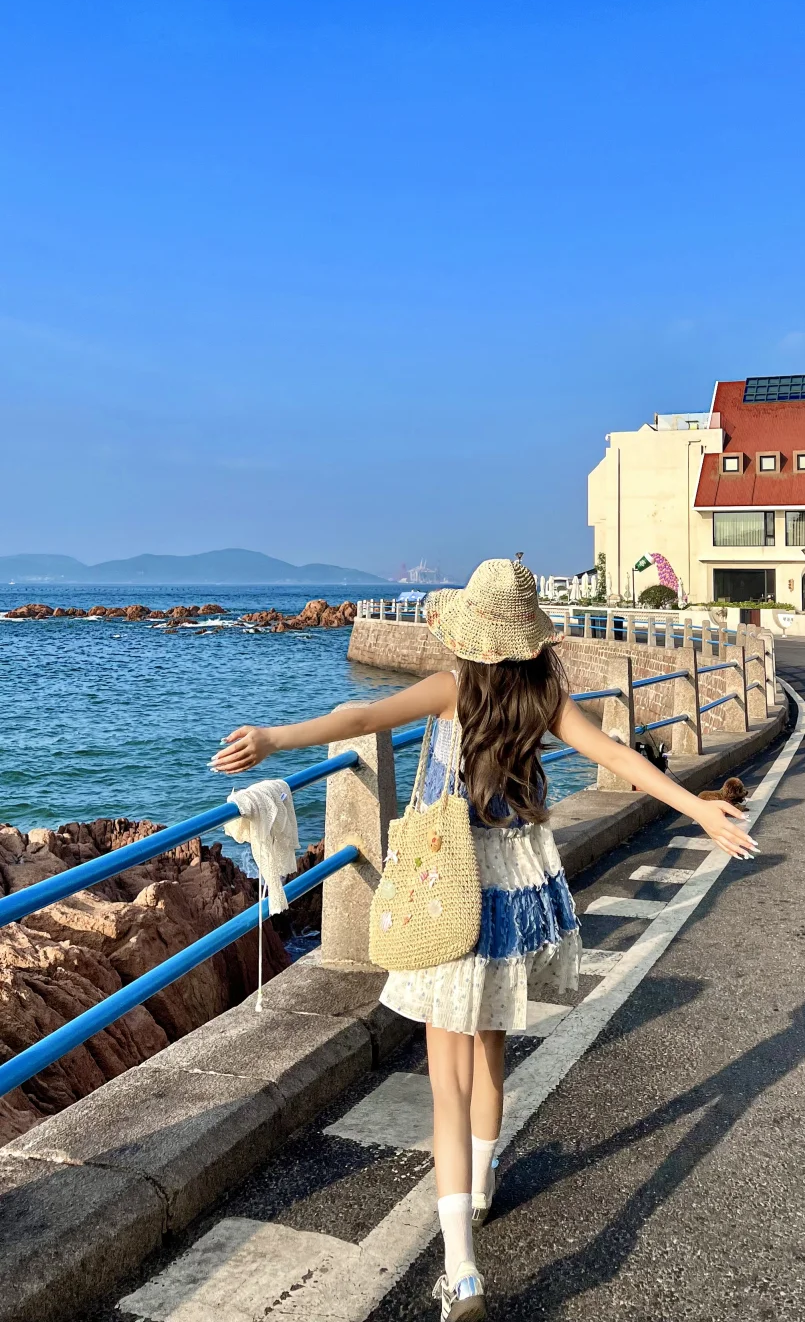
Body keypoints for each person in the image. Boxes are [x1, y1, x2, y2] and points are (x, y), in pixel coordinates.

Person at [210, 559, 756, 1321]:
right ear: (530, 638)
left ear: (470, 635)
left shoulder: (452, 690)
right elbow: (618, 759)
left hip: (446, 889)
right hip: (513, 890)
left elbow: (360, 721)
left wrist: (274, 737)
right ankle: (487, 1173)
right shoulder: (545, 697)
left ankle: (461, 1268)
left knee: (446, 1079)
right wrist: (697, 811)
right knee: (493, 1044)